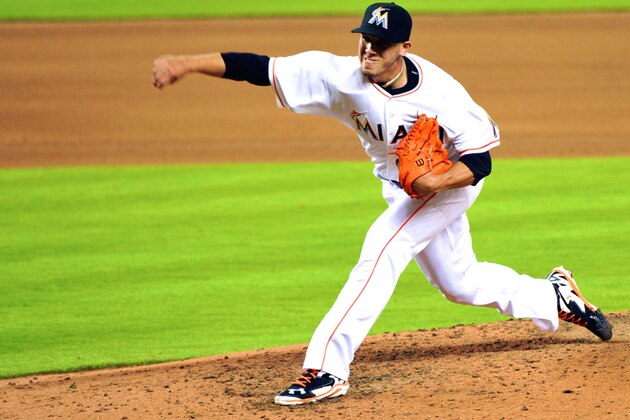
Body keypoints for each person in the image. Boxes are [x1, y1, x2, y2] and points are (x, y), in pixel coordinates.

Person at [153, 2, 613, 406]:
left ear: (404, 48)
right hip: (400, 188)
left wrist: (435, 180)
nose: (369, 49)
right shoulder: (340, 76)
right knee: (459, 283)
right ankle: (554, 296)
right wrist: (186, 63)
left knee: (383, 246)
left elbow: (480, 161)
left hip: (449, 186)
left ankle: (326, 369)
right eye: (365, 38)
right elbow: (259, 67)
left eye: (381, 43)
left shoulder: (442, 94)